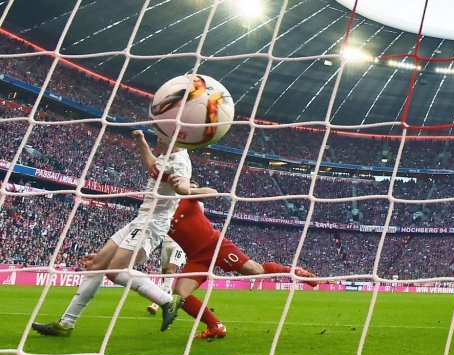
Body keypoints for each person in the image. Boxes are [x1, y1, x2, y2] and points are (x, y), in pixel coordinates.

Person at [32, 130, 192, 336]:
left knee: (115, 271)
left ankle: (167, 300)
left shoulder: (181, 161)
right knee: (96, 265)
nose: (159, 139)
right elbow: (153, 167)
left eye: (162, 136)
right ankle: (66, 324)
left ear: (175, 138)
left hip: (154, 223)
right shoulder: (165, 155)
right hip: (140, 219)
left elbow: (185, 185)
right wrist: (141, 142)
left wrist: (183, 187)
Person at [161, 178, 318, 339]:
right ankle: (216, 326)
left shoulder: (185, 199)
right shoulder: (159, 216)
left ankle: (295, 271)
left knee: (255, 270)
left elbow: (214, 193)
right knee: (180, 294)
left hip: (215, 245)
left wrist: (190, 190)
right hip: (196, 258)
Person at [146, 235, 187, 315]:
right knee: (164, 274)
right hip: (165, 243)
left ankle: (155, 304)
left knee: (170, 270)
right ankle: (169, 295)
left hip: (179, 244)